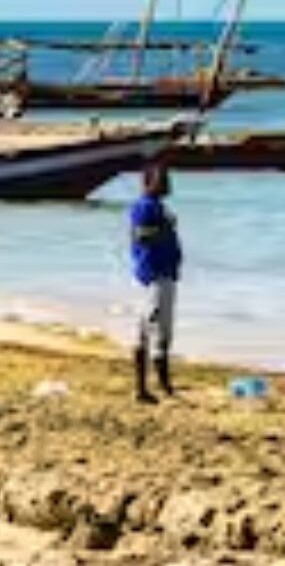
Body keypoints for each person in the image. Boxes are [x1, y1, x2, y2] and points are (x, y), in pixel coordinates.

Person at [130, 163, 183, 404]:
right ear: (148, 182)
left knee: (148, 331)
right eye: (162, 180)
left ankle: (147, 388)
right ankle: (163, 387)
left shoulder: (154, 206)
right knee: (159, 330)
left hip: (157, 273)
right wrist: (167, 227)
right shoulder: (146, 206)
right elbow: (141, 235)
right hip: (155, 274)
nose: (168, 184)